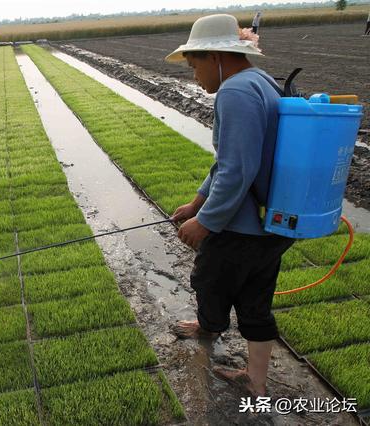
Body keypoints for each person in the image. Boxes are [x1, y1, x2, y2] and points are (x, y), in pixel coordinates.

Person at [165, 14, 294, 397]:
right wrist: (196, 202)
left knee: (209, 279)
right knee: (256, 300)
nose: (194, 76)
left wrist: (205, 221)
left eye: (194, 65)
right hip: (271, 221)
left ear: (216, 56)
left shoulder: (236, 91)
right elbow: (227, 162)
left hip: (241, 227)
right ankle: (256, 380)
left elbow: (236, 170)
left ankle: (207, 327)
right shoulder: (262, 82)